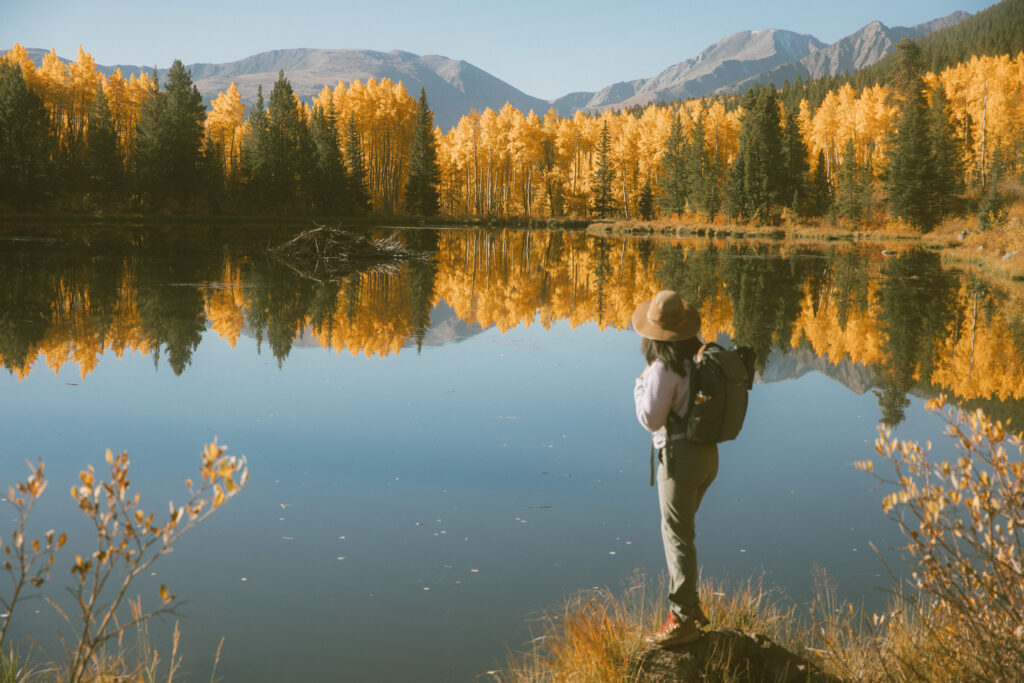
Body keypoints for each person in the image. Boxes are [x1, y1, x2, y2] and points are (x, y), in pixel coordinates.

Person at [632, 289, 718, 646]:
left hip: (679, 460)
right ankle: (690, 607)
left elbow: (651, 418)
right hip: (707, 457)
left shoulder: (663, 368)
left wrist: (639, 387)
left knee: (677, 537)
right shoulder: (696, 360)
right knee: (684, 533)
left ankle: (681, 619)